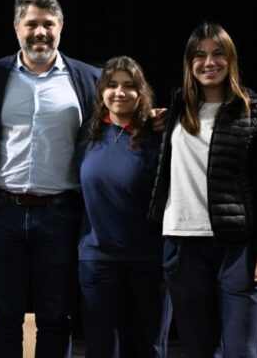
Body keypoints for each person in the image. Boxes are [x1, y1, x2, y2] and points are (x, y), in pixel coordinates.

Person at [148, 22, 257, 358]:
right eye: (200, 55)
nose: (208, 62)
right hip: (181, 245)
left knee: (241, 350)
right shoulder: (177, 110)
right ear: (189, 62)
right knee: (198, 349)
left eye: (217, 54)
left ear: (231, 59)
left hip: (237, 247)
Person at [0, 0, 100, 357]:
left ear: (60, 28)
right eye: (32, 24)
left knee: (56, 317)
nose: (40, 32)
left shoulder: (89, 78)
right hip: (2, 212)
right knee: (4, 317)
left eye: (48, 24)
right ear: (17, 29)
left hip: (61, 213)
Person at [77, 56, 171, 358]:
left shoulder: (159, 135)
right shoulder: (85, 134)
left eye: (129, 86)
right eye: (112, 85)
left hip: (149, 261)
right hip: (98, 260)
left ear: (141, 92)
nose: (120, 92)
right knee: (102, 349)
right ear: (102, 91)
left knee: (147, 348)